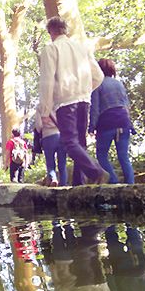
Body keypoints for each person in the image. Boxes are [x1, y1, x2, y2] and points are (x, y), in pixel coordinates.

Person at [37, 16, 109, 186]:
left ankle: (96, 172)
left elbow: (47, 81)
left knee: (70, 143)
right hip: (84, 101)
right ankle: (79, 183)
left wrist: (45, 111)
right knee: (80, 143)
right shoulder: (81, 48)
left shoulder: (51, 49)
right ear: (65, 30)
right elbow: (98, 76)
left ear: (51, 32)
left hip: (65, 102)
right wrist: (84, 90)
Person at [89, 59, 136, 184]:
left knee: (101, 155)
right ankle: (131, 185)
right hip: (123, 120)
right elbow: (126, 105)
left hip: (106, 122)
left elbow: (95, 108)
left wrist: (91, 127)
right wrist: (130, 125)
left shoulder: (98, 85)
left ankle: (113, 181)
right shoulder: (119, 84)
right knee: (123, 156)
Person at [36, 106, 68, 187]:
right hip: (61, 136)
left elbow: (38, 126)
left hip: (48, 136)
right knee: (62, 162)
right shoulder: (59, 104)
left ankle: (54, 179)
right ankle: (63, 184)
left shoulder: (41, 106)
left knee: (50, 163)